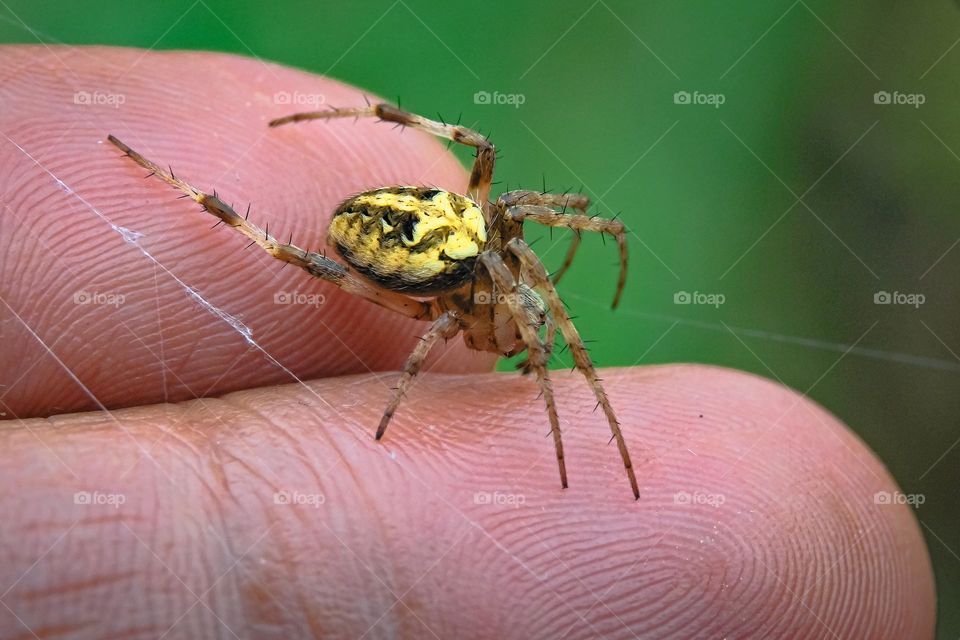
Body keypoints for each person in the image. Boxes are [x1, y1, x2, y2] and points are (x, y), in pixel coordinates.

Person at [0, 47, 935, 638]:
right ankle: (172, 178)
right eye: (533, 333)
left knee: (471, 229)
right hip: (406, 249)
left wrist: (567, 267)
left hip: (440, 237)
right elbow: (489, 309)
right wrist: (470, 389)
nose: (535, 328)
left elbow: (554, 247)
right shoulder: (458, 307)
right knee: (288, 254)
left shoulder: (504, 264)